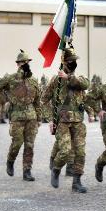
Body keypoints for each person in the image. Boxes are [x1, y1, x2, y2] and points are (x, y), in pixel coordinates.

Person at [42, 48, 91, 193]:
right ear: (63, 62)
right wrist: (50, 120)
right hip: (62, 121)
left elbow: (86, 85)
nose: (73, 63)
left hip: (78, 122)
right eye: (70, 61)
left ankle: (77, 182)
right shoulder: (55, 81)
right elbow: (43, 100)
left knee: (80, 153)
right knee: (65, 150)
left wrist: (68, 77)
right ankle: (56, 169)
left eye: (75, 61)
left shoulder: (79, 79)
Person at [0, 50, 41, 182]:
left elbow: (37, 100)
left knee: (30, 145)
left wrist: (39, 118)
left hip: (31, 117)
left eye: (27, 62)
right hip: (17, 116)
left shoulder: (33, 80)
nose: (25, 64)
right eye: (22, 62)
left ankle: (27, 171)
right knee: (17, 142)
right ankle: (10, 161)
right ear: (18, 64)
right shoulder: (11, 78)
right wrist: (8, 98)